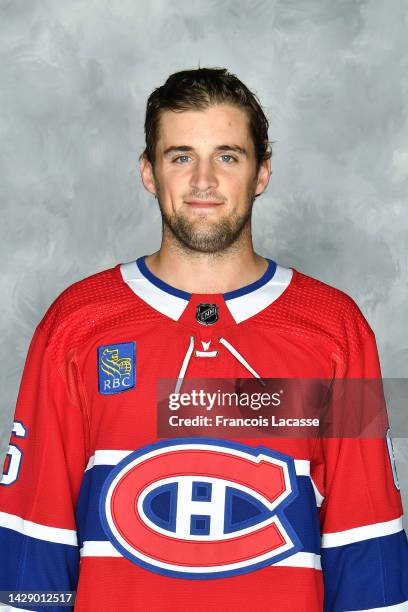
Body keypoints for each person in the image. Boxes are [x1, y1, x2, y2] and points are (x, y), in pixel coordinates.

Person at [0, 67, 407, 612]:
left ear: (262, 173)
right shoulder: (76, 324)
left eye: (228, 156)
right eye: (181, 156)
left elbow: (366, 544)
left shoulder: (334, 328)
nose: (203, 181)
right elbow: (34, 540)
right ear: (149, 172)